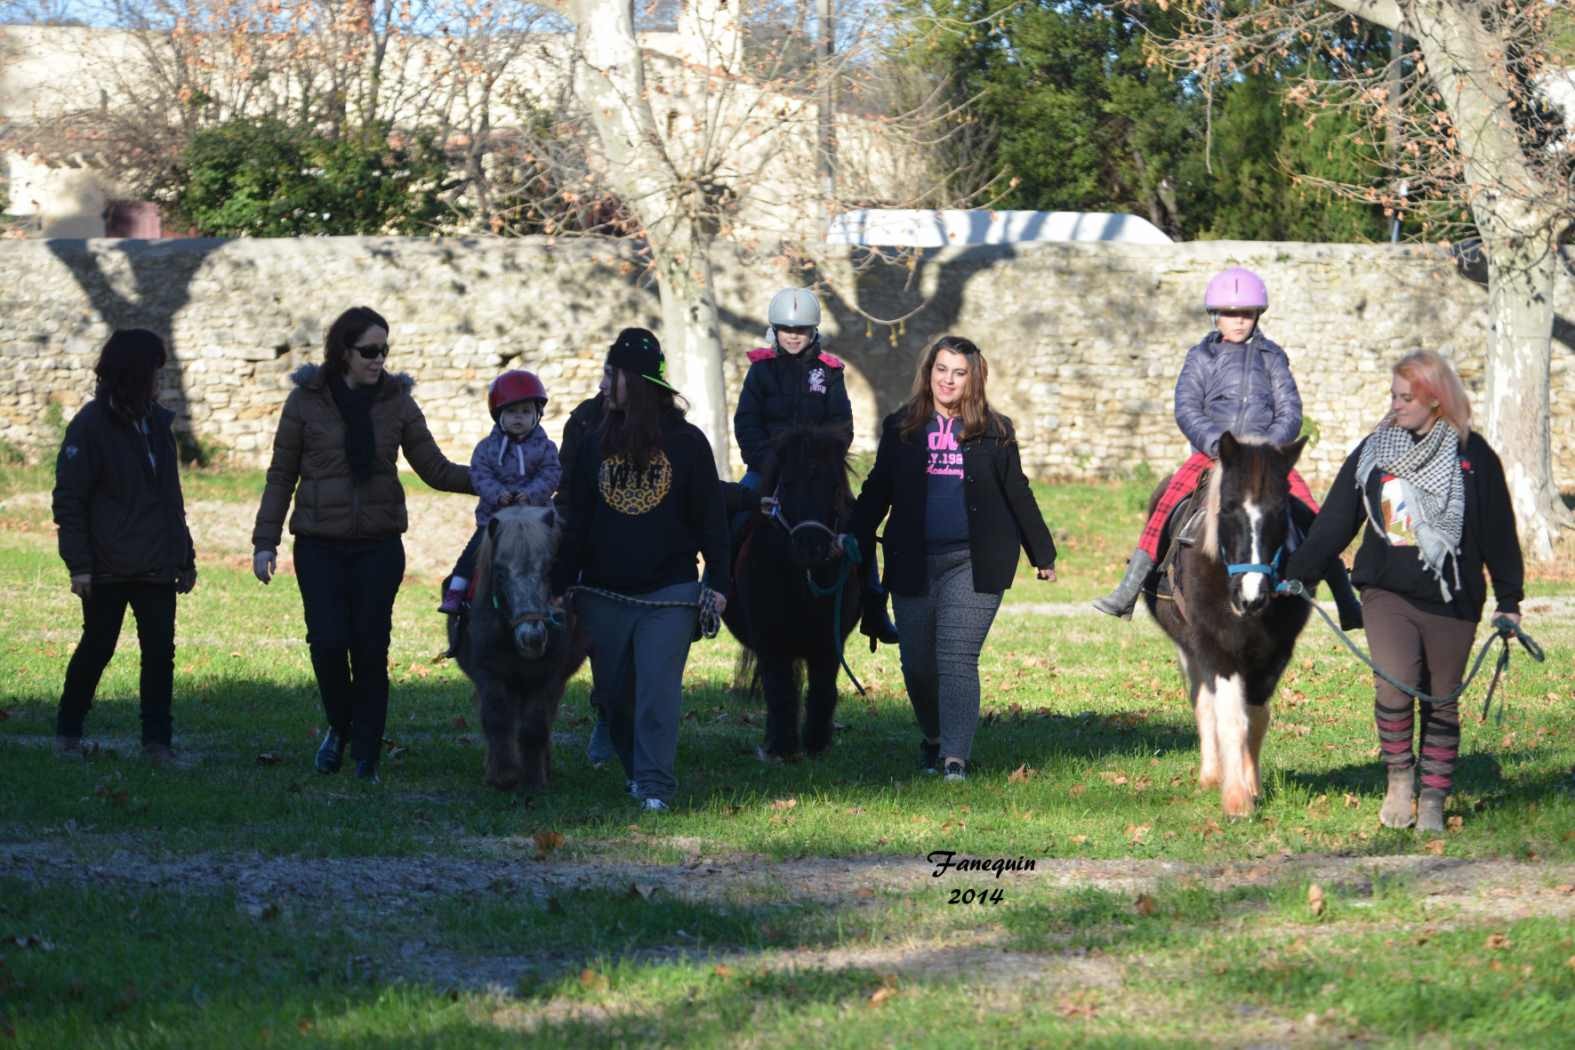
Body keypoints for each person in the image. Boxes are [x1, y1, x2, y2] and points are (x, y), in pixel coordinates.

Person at [1281, 350, 1523, 833]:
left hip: (1453, 597)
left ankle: (1433, 798)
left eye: (1405, 397)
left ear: (1436, 400)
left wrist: (1509, 601)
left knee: (1442, 699)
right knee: (1393, 684)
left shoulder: (1473, 456)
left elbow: (1498, 532)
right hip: (1386, 591)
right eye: (1392, 395)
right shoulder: (1374, 451)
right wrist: (1297, 572)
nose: (1394, 405)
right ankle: (1399, 779)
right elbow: (1335, 521)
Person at [251, 306, 473, 783]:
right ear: (343, 351)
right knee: (328, 644)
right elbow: (281, 475)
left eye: (384, 351)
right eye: (369, 351)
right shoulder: (306, 401)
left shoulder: (397, 402)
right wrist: (264, 541)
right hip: (318, 545)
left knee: (371, 649)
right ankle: (340, 726)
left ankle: (366, 757)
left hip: (378, 546)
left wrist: (491, 480)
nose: (379, 360)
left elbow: (434, 468)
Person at [1093, 268, 1359, 628]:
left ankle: (1346, 600)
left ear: (1258, 316)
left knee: (1312, 513)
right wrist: (1218, 444)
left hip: (1264, 458)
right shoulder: (1200, 357)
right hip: (1214, 453)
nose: (1238, 321)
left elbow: (1290, 409)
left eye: (1246, 314)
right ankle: (1128, 589)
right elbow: (1187, 408)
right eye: (1231, 313)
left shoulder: (1273, 358)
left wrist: (1268, 448)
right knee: (1168, 503)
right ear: (1215, 315)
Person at [846, 335, 1057, 781]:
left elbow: (1016, 491)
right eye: (942, 369)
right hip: (912, 559)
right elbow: (878, 488)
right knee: (918, 664)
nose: (949, 380)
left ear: (973, 378)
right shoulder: (902, 428)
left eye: (959, 373)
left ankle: (955, 758)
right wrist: (849, 535)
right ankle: (936, 738)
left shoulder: (995, 431)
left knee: (957, 657)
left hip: (973, 561)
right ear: (929, 373)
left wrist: (1042, 551)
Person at [552, 327, 729, 811]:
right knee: (613, 698)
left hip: (668, 594)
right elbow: (577, 522)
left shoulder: (689, 444)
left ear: (636, 379)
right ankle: (636, 773)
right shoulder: (592, 443)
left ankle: (655, 785)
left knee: (657, 692)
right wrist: (560, 584)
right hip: (604, 594)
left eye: (612, 374)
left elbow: (711, 519)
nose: (604, 384)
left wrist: (719, 583)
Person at [52, 329, 197, 763]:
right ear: (135, 373)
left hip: (156, 564)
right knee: (97, 647)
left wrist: (184, 557)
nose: (160, 380)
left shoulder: (158, 426)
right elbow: (69, 499)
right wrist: (79, 565)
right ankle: (68, 733)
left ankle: (157, 744)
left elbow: (171, 497)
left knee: (159, 655)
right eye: (155, 371)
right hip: (107, 565)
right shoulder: (89, 427)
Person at [733, 286, 899, 644]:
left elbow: (842, 425)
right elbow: (746, 422)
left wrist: (819, 460)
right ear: (775, 329)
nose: (794, 336)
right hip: (768, 471)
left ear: (813, 331)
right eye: (787, 330)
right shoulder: (760, 371)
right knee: (733, 516)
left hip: (819, 476)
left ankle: (873, 605)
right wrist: (772, 462)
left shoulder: (830, 372)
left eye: (802, 330)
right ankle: (715, 597)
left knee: (860, 524)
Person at [438, 370, 561, 613]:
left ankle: (563, 592)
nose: (519, 418)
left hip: (536, 518)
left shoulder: (546, 448)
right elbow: (479, 475)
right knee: (473, 553)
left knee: (559, 550)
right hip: (495, 518)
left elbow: (551, 474)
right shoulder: (486, 448)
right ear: (499, 415)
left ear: (537, 415)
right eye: (512, 411)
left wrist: (531, 494)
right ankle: (457, 591)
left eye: (526, 411)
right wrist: (497, 494)